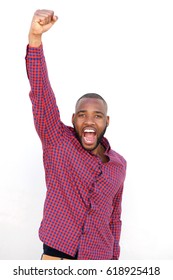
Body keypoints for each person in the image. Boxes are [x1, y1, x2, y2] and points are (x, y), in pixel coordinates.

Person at [25, 9, 127, 260]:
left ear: (107, 121)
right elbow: (41, 95)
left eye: (97, 115)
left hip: (99, 259)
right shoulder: (57, 140)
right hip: (57, 254)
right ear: (73, 119)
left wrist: (114, 261)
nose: (89, 120)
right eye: (82, 114)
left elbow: (115, 216)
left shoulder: (119, 165)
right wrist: (35, 40)